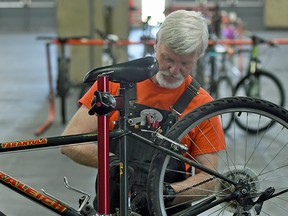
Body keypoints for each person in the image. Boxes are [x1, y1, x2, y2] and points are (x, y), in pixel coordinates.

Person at [61, 9, 226, 214]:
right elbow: (70, 142)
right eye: (168, 59)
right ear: (156, 43)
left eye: (185, 64)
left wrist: (167, 193)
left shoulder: (202, 105)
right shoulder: (115, 85)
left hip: (167, 210)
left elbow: (210, 178)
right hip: (112, 208)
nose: (174, 70)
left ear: (198, 57)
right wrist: (113, 163)